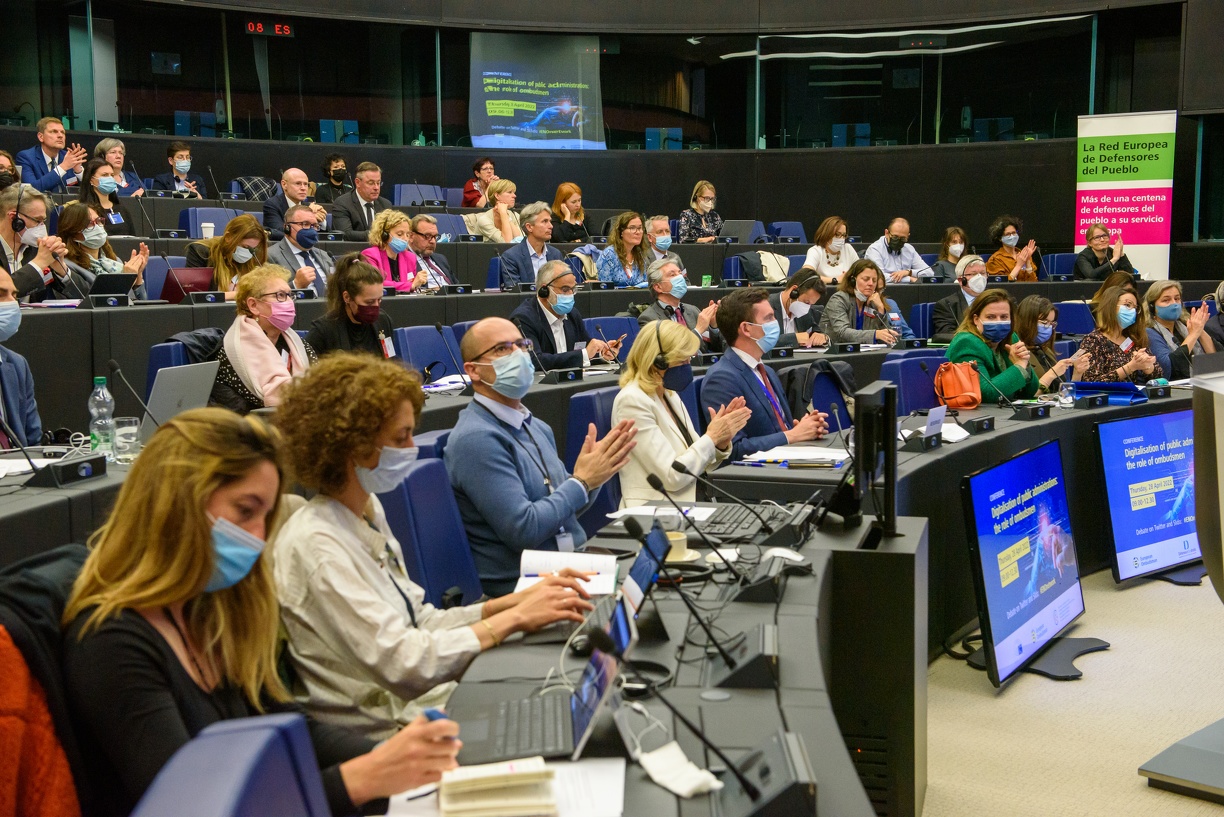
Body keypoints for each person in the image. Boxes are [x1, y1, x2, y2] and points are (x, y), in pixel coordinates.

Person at [61, 407, 462, 817]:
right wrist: (363, 777)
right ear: (177, 502)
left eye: (265, 517)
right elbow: (192, 806)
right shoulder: (110, 641)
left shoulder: (212, 610)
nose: (257, 537)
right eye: (245, 511)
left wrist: (395, 756)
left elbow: (289, 728)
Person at [272, 353, 594, 737]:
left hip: (418, 708)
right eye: (399, 437)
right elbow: (406, 665)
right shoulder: (317, 546)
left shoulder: (364, 509)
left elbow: (419, 621)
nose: (411, 447)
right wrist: (514, 620)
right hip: (385, 735)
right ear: (350, 446)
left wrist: (515, 602)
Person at [444, 317, 637, 596]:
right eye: (502, 349)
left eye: (522, 345)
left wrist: (594, 478)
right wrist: (581, 483)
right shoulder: (476, 439)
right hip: (524, 588)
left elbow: (558, 509)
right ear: (473, 371)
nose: (519, 355)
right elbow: (525, 528)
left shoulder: (535, 425)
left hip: (568, 567)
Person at [612, 321, 750, 506]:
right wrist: (711, 437)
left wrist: (720, 442)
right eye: (682, 361)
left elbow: (699, 463)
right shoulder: (632, 401)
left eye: (689, 360)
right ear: (657, 361)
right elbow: (672, 476)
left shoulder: (669, 394)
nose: (687, 367)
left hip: (690, 502)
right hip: (656, 512)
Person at [699, 288, 829, 462]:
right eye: (768, 318)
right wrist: (791, 436)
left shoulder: (765, 370)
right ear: (746, 328)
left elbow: (779, 428)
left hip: (787, 459)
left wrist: (803, 428)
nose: (775, 323)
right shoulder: (722, 379)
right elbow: (733, 450)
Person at [211, 265, 316, 413]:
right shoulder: (235, 352)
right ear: (253, 305)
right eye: (280, 295)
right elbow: (250, 405)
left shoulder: (298, 343)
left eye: (290, 295)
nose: (289, 302)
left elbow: (318, 385)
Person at [507, 260, 618, 370]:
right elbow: (533, 360)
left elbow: (586, 351)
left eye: (573, 289)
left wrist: (603, 353)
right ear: (544, 290)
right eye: (565, 289)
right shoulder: (523, 318)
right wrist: (584, 354)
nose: (570, 295)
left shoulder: (572, 314)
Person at [946, 289, 1040, 403]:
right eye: (991, 317)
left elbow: (1029, 392)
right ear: (976, 319)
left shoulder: (1011, 338)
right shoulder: (967, 343)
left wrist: (1026, 365)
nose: (998, 322)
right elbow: (986, 394)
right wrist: (1019, 366)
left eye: (1004, 317)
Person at [304, 255, 395, 359]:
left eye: (379, 300)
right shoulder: (323, 330)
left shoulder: (383, 321)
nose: (376, 306)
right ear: (347, 297)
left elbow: (390, 359)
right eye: (369, 302)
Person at [58, 201, 149, 299]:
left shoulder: (115, 261)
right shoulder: (69, 267)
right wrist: (125, 281)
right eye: (89, 224)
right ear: (72, 232)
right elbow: (97, 303)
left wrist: (138, 276)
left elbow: (141, 305)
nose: (97, 226)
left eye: (98, 221)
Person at [0, 183, 75, 301]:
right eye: (37, 220)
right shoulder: (40, 257)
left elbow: (85, 296)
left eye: (43, 221)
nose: (42, 227)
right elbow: (3, 294)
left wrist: (61, 270)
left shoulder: (35, 249)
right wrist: (38, 264)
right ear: (14, 218)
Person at [637, 256, 722, 353]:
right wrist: (698, 330)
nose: (680, 277)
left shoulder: (693, 311)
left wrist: (714, 327)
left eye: (680, 273)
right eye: (672, 275)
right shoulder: (649, 319)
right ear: (658, 287)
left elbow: (717, 349)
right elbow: (669, 354)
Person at [1078, 286, 1163, 384]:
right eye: (1127, 305)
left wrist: (1148, 366)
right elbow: (1090, 382)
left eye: (1135, 308)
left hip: (1134, 396)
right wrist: (1130, 367)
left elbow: (1159, 376)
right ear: (1110, 306)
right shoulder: (1093, 340)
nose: (1132, 311)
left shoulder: (1132, 338)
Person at [1013, 295, 1090, 393]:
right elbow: (1027, 395)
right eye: (1044, 322)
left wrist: (1077, 373)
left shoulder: (1045, 351)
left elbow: (1063, 395)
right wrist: (1052, 374)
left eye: (1051, 323)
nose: (1048, 327)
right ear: (1027, 321)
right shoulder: (1016, 352)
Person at [184, 214, 272, 298]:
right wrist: (238, 295)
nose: (248, 253)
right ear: (228, 238)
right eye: (245, 247)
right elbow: (196, 295)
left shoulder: (253, 256)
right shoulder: (201, 252)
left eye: (253, 249)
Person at [0, 268, 41, 447]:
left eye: (14, 295)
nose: (11, 302)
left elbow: (33, 442)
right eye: (1, 294)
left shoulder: (16, 365)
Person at [818, 259, 903, 345]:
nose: (871, 283)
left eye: (874, 280)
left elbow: (887, 338)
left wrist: (881, 309)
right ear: (853, 280)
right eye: (866, 279)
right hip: (834, 353)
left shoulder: (873, 303)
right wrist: (875, 334)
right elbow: (842, 333)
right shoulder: (839, 299)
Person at [1143, 280, 1215, 380]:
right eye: (1166, 300)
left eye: (1177, 299)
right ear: (1152, 307)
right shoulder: (1149, 332)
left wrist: (1200, 329)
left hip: (1203, 382)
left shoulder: (1185, 325)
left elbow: (1216, 358)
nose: (1174, 304)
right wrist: (1193, 335)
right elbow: (1168, 366)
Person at [267, 204, 334, 298]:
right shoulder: (270, 256)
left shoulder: (325, 255)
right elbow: (268, 297)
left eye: (314, 225)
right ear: (287, 228)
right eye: (305, 224)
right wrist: (296, 284)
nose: (311, 230)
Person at [14, 117, 87, 193]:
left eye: (62, 132)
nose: (60, 136)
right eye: (54, 131)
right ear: (41, 137)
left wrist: (78, 172)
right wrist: (63, 167)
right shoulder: (26, 157)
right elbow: (31, 190)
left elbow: (86, 192)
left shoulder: (68, 157)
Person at [499, 201, 561, 289]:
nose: (551, 226)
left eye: (550, 221)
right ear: (529, 227)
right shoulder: (511, 257)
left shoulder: (555, 254)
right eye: (545, 221)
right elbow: (515, 292)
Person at [362, 210, 427, 293]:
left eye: (407, 234)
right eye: (400, 234)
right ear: (384, 235)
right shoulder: (370, 255)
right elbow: (375, 283)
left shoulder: (410, 257)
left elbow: (413, 285)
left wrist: (417, 283)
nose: (405, 239)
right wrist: (410, 285)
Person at [931, 254, 988, 344]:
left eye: (982, 273)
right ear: (961, 280)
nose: (979, 277)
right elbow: (946, 334)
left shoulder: (998, 301)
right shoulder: (947, 305)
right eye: (973, 274)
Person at [331, 162, 391, 242]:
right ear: (358, 183)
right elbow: (345, 234)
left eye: (378, 183)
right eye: (371, 183)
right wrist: (376, 234)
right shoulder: (343, 203)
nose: (376, 187)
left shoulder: (385, 204)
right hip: (354, 252)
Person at [769, 268, 828, 348]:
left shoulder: (805, 313)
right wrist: (794, 338)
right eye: (806, 302)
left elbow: (816, 331)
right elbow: (762, 341)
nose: (807, 307)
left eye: (811, 304)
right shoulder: (766, 307)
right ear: (794, 291)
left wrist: (822, 337)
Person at [265, 168, 328, 241]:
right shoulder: (272, 204)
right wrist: (307, 217)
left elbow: (327, 235)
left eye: (306, 184)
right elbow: (279, 231)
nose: (303, 188)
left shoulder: (310, 206)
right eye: (298, 184)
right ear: (284, 184)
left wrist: (321, 220)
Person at [77, 159, 134, 236]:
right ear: (91, 179)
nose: (110, 178)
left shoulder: (122, 209)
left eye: (112, 175)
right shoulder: (85, 211)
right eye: (105, 175)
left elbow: (133, 236)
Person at [865, 217, 928, 283]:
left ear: (908, 236)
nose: (898, 240)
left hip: (908, 290)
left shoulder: (909, 249)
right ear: (886, 233)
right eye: (895, 237)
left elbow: (929, 273)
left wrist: (909, 272)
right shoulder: (874, 249)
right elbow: (878, 277)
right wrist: (909, 279)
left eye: (903, 238)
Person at [596, 212, 649, 287]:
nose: (638, 232)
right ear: (621, 232)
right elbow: (604, 287)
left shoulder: (640, 254)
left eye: (640, 228)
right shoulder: (609, 255)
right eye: (632, 228)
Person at [803, 216, 859, 284]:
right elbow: (806, 276)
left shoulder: (848, 249)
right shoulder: (816, 251)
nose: (841, 239)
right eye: (837, 234)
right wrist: (835, 280)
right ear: (826, 234)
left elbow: (862, 272)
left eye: (844, 235)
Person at [407, 214, 455, 288]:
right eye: (427, 236)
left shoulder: (441, 259)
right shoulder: (402, 259)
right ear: (411, 236)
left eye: (435, 236)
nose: (433, 241)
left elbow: (456, 285)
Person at [985, 214, 1038, 281]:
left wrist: (1027, 260)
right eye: (1008, 234)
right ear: (1000, 238)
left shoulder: (1023, 254)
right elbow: (1001, 285)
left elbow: (1034, 283)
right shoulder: (995, 259)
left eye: (1014, 233)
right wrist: (1018, 266)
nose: (1012, 236)